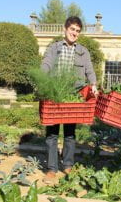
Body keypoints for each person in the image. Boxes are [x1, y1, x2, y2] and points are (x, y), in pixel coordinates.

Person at [41, 16, 98, 184]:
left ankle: (67, 165)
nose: (75, 33)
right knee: (52, 133)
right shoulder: (54, 48)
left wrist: (93, 84)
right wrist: (41, 77)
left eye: (78, 31)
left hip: (73, 95)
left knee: (70, 133)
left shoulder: (83, 51)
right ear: (65, 29)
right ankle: (52, 169)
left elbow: (90, 70)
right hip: (55, 93)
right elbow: (46, 64)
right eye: (72, 29)